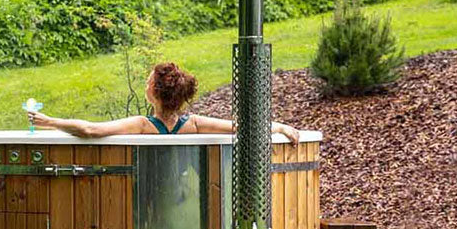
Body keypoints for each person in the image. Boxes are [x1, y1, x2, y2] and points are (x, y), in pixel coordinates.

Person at [27, 62, 300, 144]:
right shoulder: (193, 124)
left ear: (154, 93)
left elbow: (91, 130)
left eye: (148, 82)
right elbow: (242, 127)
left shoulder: (143, 126)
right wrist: (278, 126)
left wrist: (49, 120)